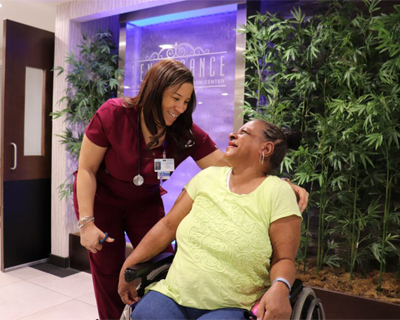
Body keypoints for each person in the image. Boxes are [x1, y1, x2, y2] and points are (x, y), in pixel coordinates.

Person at [74, 59, 308, 320]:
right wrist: (86, 223)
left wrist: (281, 184)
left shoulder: (185, 134)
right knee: (108, 271)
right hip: (102, 201)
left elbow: (233, 166)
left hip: (144, 202)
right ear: (154, 90)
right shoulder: (114, 114)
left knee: (161, 261)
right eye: (175, 98)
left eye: (186, 101)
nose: (181, 107)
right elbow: (86, 170)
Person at [118, 119, 302, 320]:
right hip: (174, 293)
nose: (232, 135)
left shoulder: (278, 192)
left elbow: (284, 258)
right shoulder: (206, 178)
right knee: (145, 315)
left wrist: (280, 288)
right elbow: (167, 225)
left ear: (265, 148)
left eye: (244, 133)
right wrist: (129, 264)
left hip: (233, 305)